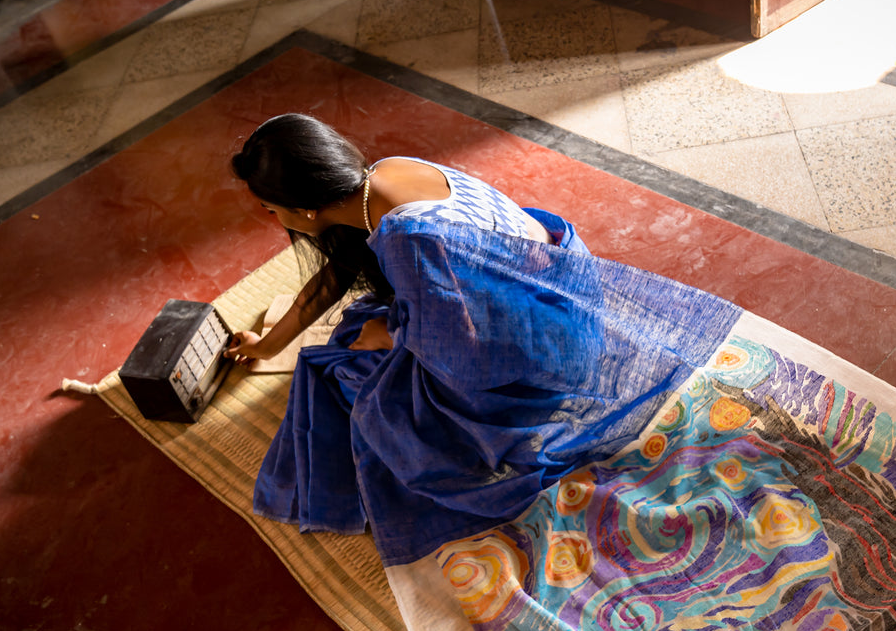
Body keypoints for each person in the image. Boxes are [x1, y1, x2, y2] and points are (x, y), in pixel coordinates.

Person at [223, 113, 737, 566]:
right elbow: (339, 273)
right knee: (364, 328)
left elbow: (463, 357)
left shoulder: (406, 239)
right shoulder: (386, 174)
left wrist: (392, 335)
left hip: (545, 346)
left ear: (306, 211)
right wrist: (267, 346)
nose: (274, 220)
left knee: (377, 410)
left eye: (270, 209)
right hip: (561, 296)